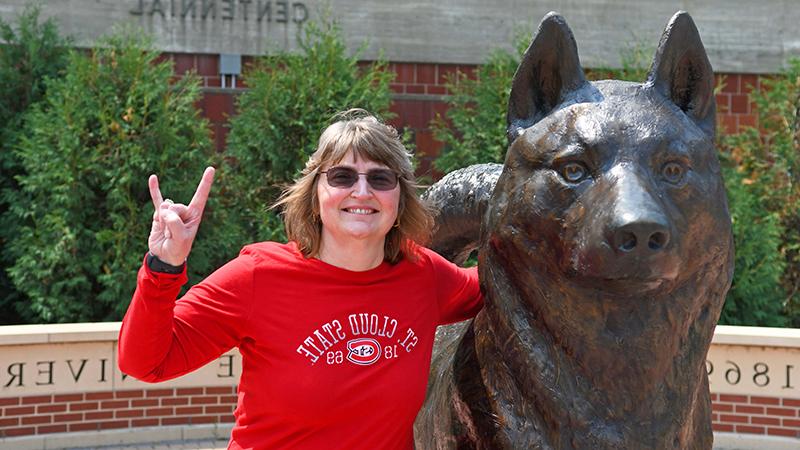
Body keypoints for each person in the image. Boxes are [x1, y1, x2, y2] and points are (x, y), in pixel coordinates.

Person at [118, 109, 483, 450]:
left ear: (400, 199)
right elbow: (145, 362)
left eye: (380, 177)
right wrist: (162, 267)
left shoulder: (423, 276)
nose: (362, 191)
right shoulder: (258, 277)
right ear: (314, 196)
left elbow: (503, 285)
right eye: (342, 176)